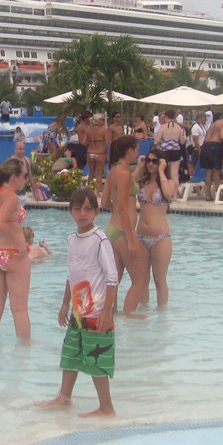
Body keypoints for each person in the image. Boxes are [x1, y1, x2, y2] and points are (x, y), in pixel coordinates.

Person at [35, 188, 117, 418]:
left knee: (96, 357)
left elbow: (112, 278)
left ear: (97, 212)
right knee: (70, 353)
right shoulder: (72, 239)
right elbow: (72, 275)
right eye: (77, 208)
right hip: (78, 312)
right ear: (70, 210)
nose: (82, 213)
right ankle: (64, 397)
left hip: (98, 312)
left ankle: (106, 408)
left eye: (88, 209)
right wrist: (64, 305)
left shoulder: (100, 240)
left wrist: (107, 312)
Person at [0, 157, 32, 343]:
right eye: (25, 176)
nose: (26, 180)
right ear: (13, 177)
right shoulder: (11, 196)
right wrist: (20, 243)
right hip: (13, 255)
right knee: (19, 309)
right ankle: (25, 354)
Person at [102, 135, 145, 314]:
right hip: (122, 232)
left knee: (114, 281)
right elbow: (122, 208)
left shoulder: (113, 171)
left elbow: (105, 202)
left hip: (111, 229)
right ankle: (128, 318)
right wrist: (131, 239)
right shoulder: (125, 174)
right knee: (139, 280)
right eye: (136, 149)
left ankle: (111, 316)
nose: (138, 153)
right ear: (129, 151)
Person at [136, 150, 178, 308]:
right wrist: (139, 167)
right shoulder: (142, 182)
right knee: (142, 280)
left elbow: (168, 194)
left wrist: (161, 171)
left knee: (159, 280)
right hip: (140, 236)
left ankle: (162, 317)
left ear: (162, 162)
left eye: (155, 161)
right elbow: (126, 187)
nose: (151, 164)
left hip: (160, 238)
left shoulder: (169, 182)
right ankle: (143, 312)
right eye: (148, 160)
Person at [200, 114, 223, 200]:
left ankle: (208, 195)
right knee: (217, 171)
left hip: (205, 145)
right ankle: (219, 195)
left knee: (209, 171)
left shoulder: (214, 123)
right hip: (215, 146)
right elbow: (222, 136)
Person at [153, 108, 187, 181]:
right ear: (174, 117)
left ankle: (166, 190)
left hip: (164, 152)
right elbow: (182, 142)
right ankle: (174, 191)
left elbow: (157, 140)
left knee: (164, 174)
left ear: (166, 117)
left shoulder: (163, 127)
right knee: (174, 175)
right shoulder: (178, 127)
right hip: (175, 152)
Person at [84, 114, 109, 190]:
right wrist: (106, 153)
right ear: (97, 120)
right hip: (100, 152)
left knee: (91, 173)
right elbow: (107, 143)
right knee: (99, 175)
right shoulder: (104, 130)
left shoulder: (88, 130)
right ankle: (98, 192)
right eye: (102, 119)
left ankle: (89, 190)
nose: (104, 121)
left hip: (90, 152)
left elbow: (84, 142)